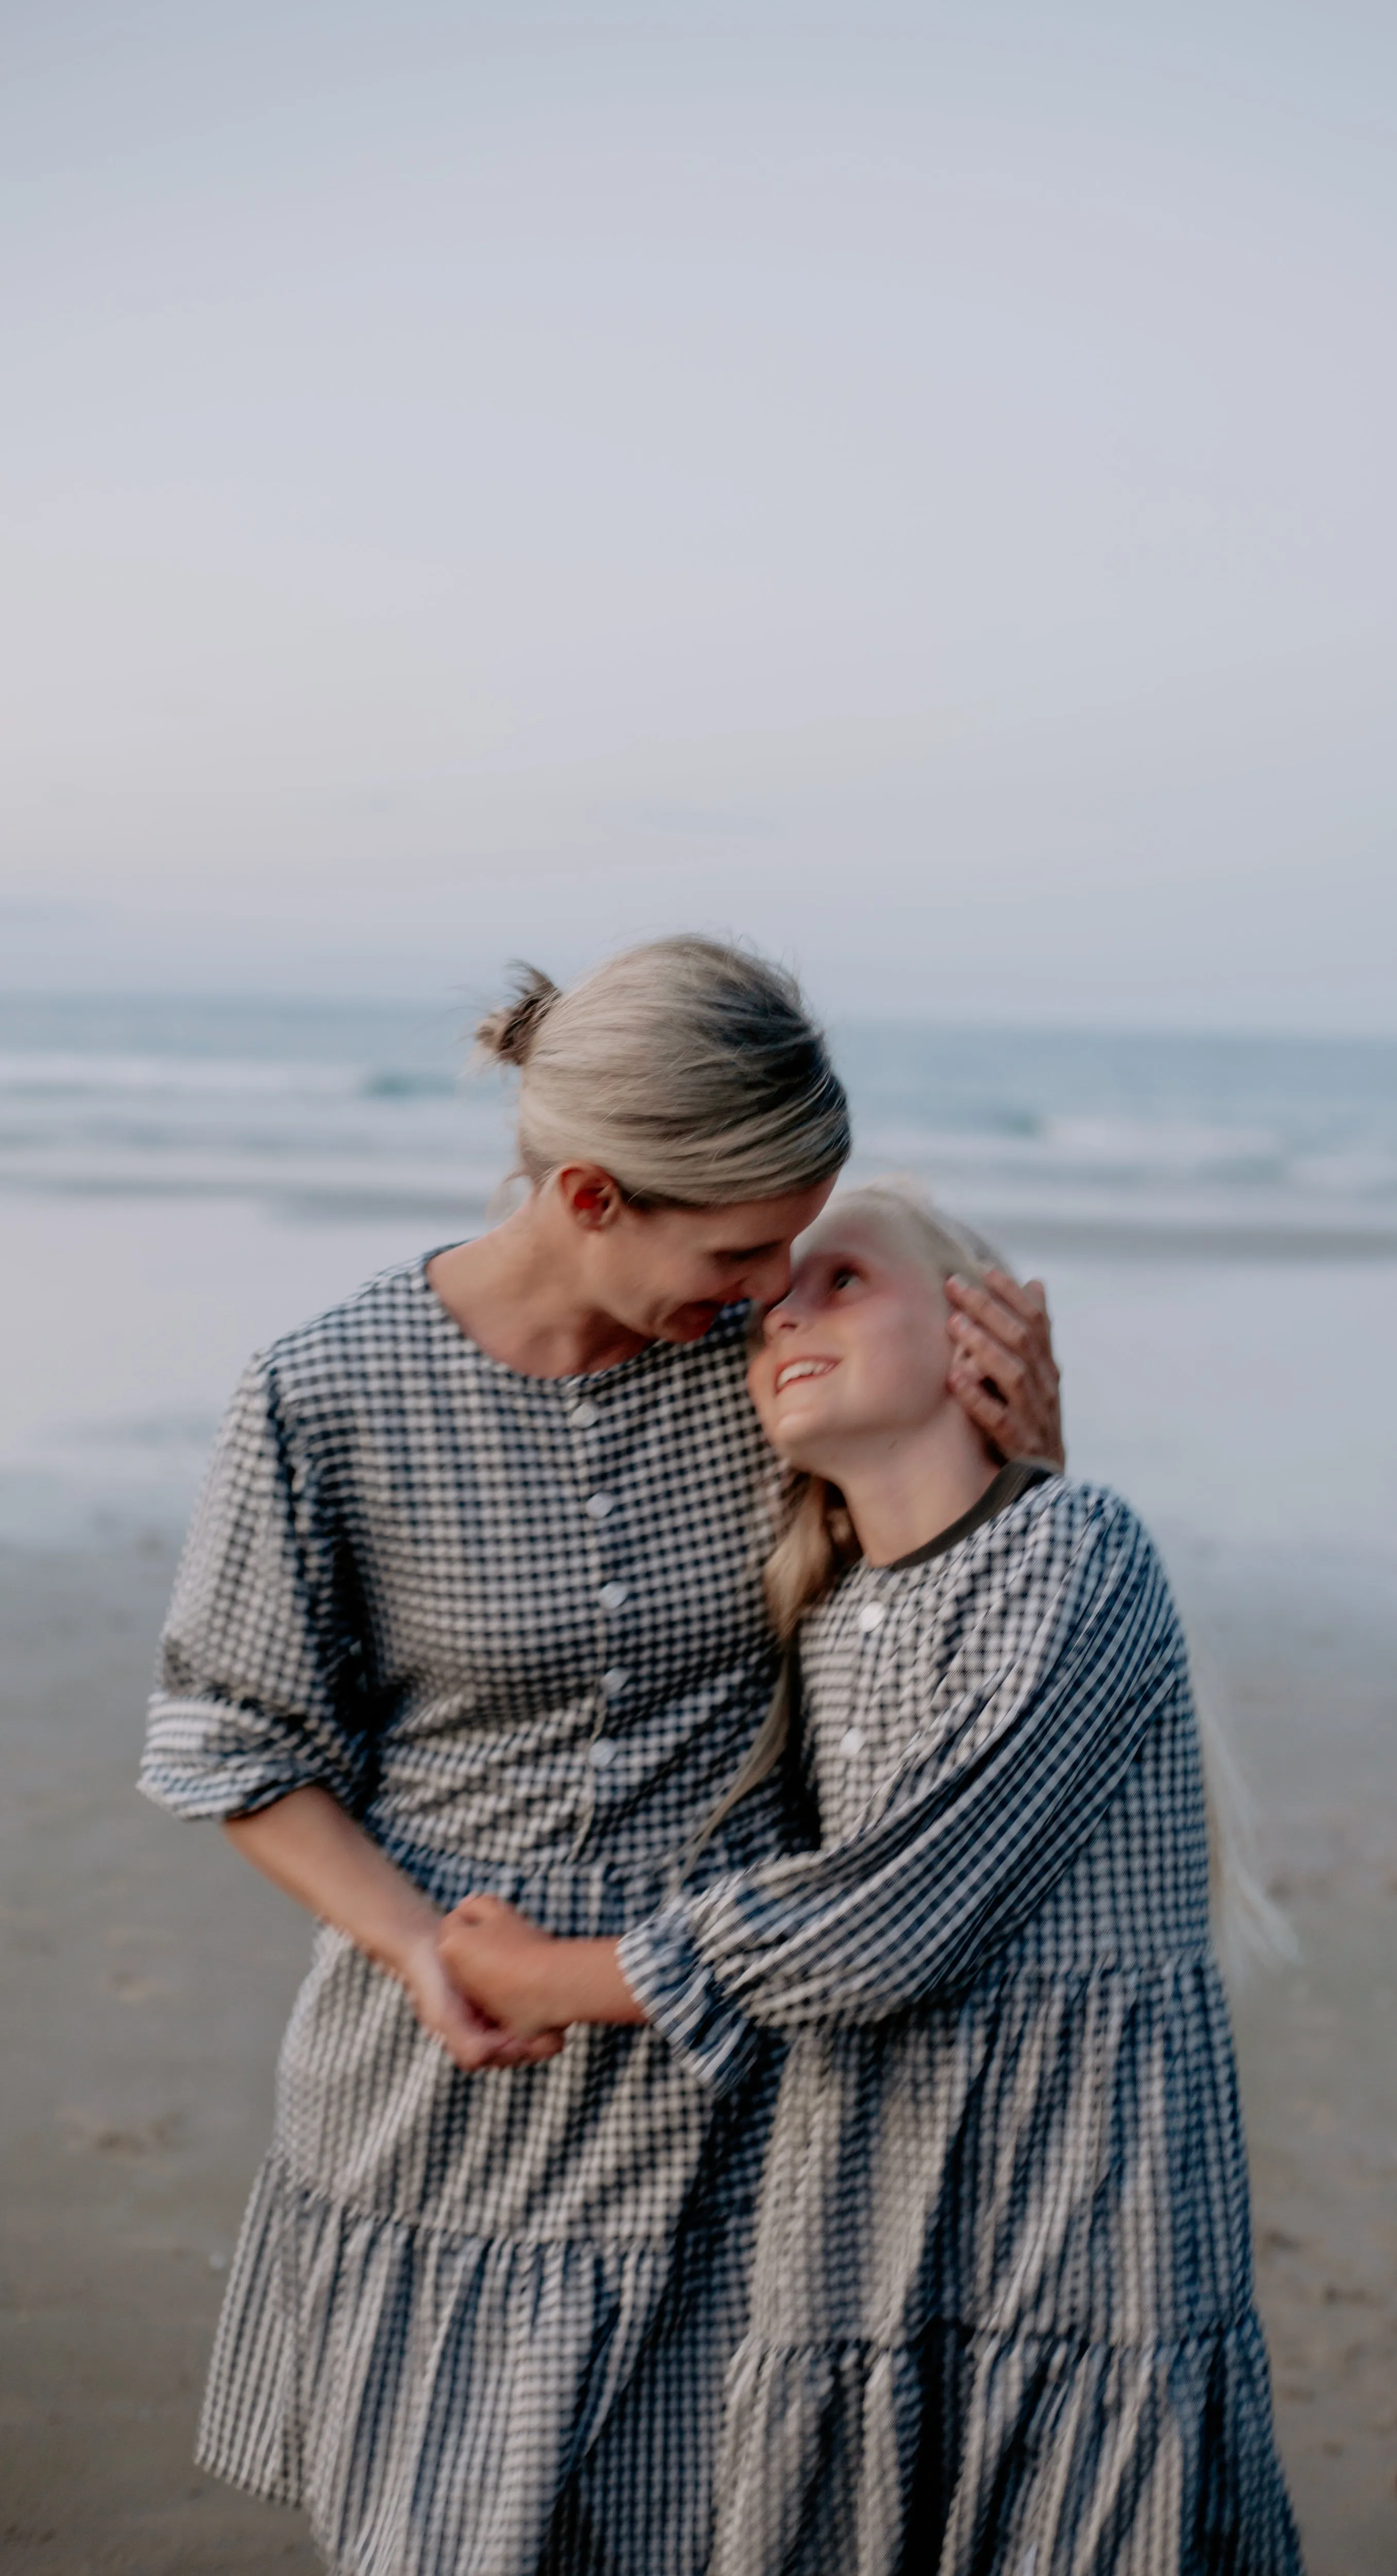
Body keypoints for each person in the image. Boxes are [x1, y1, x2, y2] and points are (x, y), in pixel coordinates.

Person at [139, 946, 1062, 2576]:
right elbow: (237, 1742)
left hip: (742, 2085)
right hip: (453, 2085)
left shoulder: (767, 1378)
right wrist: (420, 1948)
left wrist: (1020, 1462)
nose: (777, 1288)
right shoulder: (324, 1394)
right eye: (742, 1250)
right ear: (587, 1191)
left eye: (799, 1244)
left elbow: (945, 1632)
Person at [443, 1181, 1302, 2576]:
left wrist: (549, 1976)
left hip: (1079, 2243)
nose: (782, 1309)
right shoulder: (829, 1629)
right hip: (866, 2231)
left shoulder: (1081, 1550)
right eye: (762, 1302)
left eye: (839, 1281)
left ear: (978, 1325)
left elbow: (877, 1922)